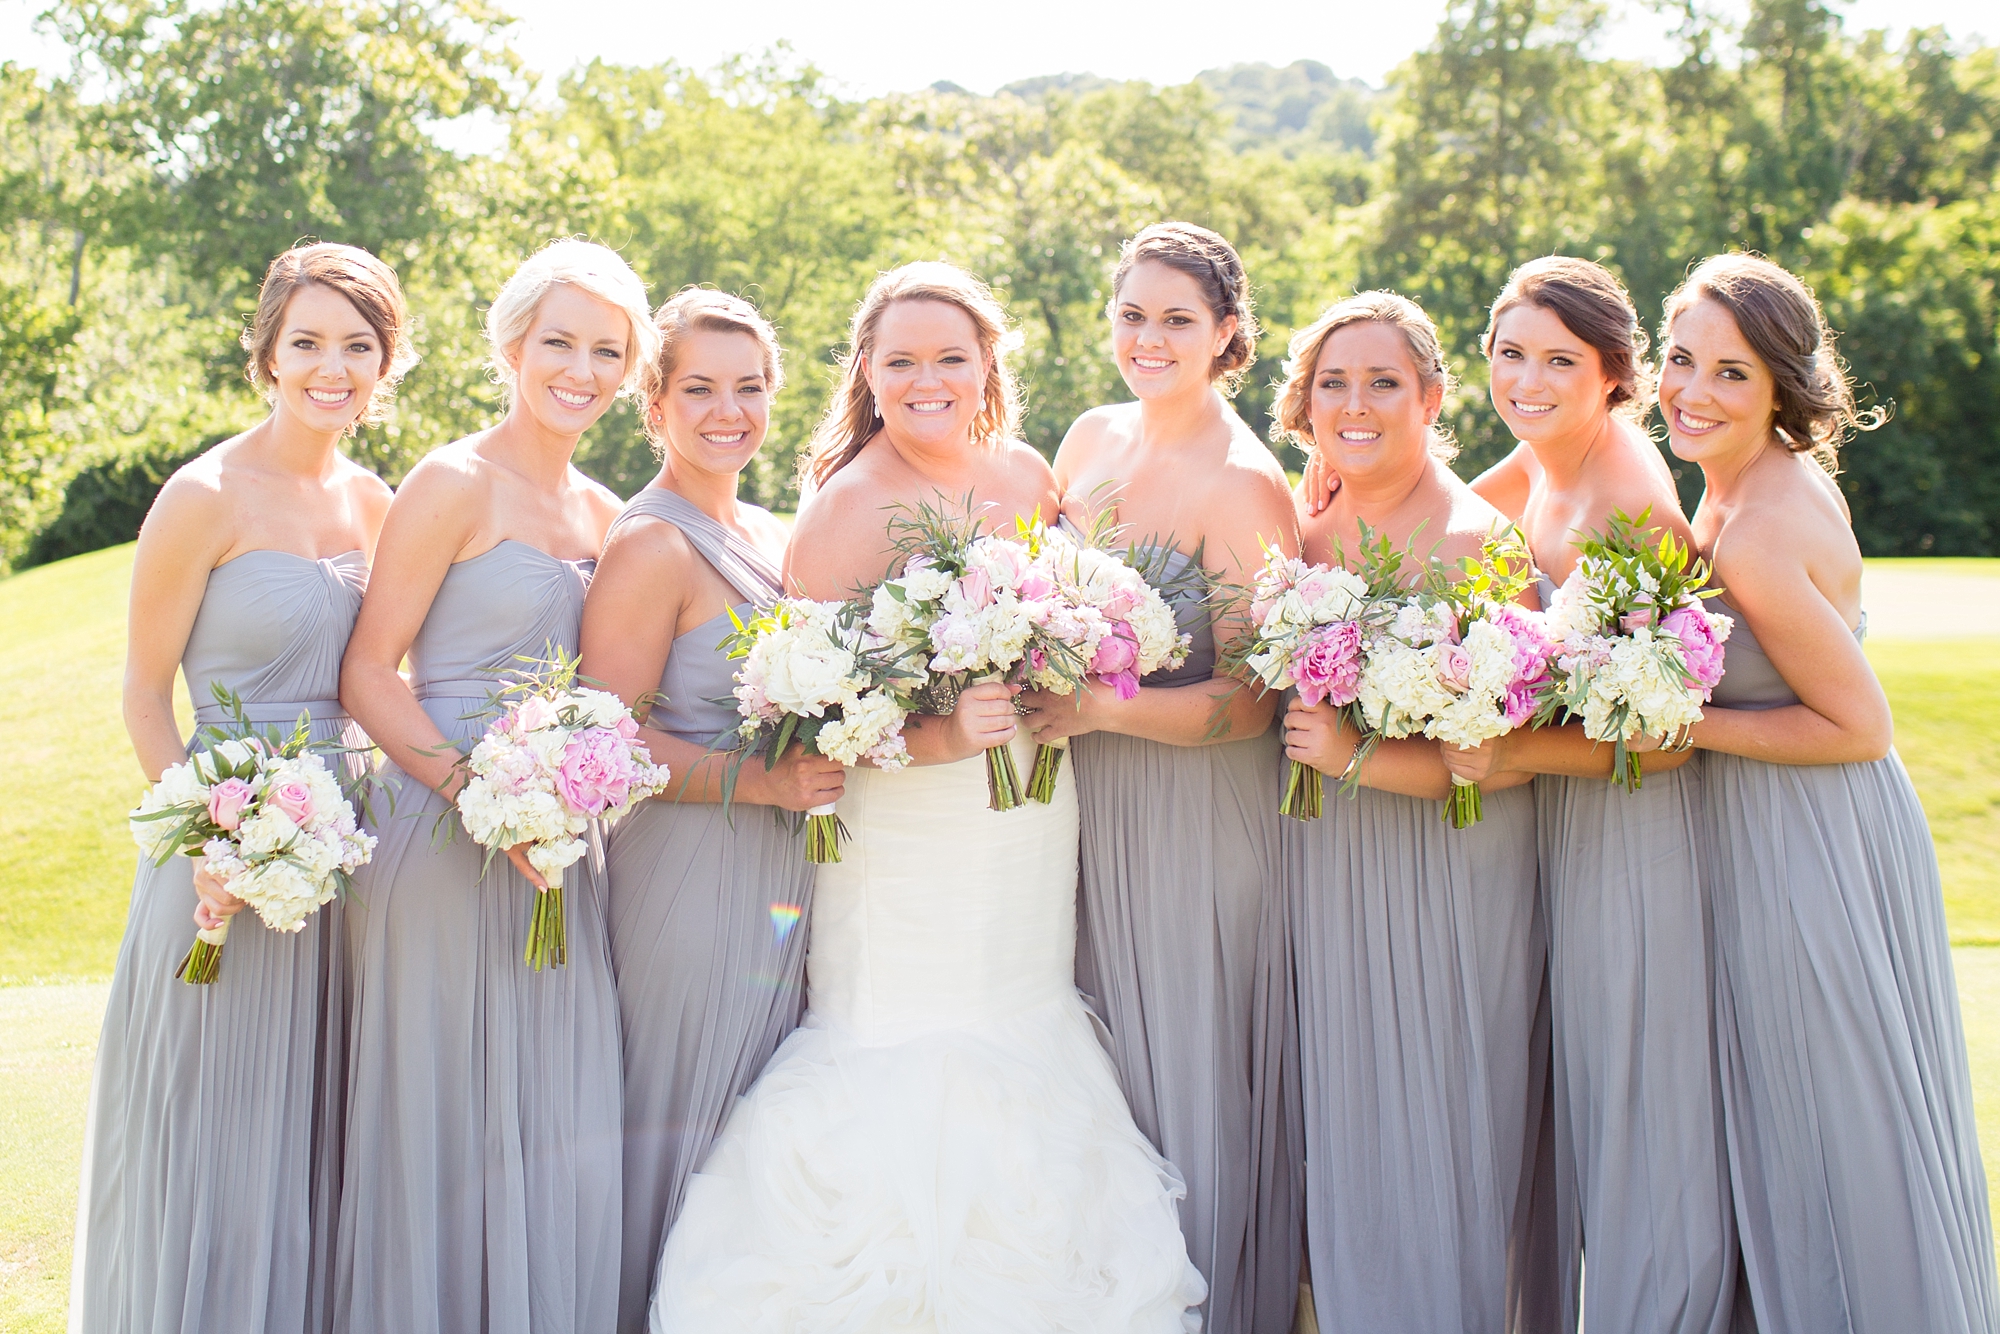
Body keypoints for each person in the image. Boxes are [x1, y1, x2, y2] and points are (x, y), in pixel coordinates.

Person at [648, 261, 1205, 1330]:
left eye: (949, 357)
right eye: (899, 360)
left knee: (1024, 1017)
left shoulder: (1025, 470)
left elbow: (1068, 616)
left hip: (1028, 818)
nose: (926, 379)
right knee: (914, 1033)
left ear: (987, 363)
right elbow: (812, 720)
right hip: (906, 840)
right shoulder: (841, 511)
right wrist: (943, 731)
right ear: (865, 370)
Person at [1327, 259, 1737, 1333]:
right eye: (1510, 353)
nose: (1528, 377)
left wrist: (1507, 761)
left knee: (1633, 1111)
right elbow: (1443, 509)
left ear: (1613, 375)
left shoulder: (1632, 499)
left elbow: (1667, 736)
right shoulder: (1539, 464)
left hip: (1628, 832)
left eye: (1560, 360)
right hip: (1546, 833)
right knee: (1554, 1110)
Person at [72, 241, 407, 1334]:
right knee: (214, 1124)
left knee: (318, 1127)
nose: (331, 366)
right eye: (307, 341)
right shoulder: (202, 495)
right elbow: (139, 693)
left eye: (357, 346)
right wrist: (208, 837)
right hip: (219, 850)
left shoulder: (380, 505)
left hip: (344, 853)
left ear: (383, 364)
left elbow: (383, 680)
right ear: (266, 353)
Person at [1668, 252, 1998, 1332]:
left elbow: (1859, 725)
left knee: (1838, 1116)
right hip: (1783, 823)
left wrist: (1678, 721)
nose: (1691, 390)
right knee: (1797, 1114)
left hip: (1808, 838)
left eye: (1729, 372)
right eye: (1679, 360)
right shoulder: (1736, 482)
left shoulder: (1757, 525)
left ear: (1777, 385)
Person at [333, 238, 658, 1333]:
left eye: (606, 350)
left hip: (559, 838)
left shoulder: (612, 511)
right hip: (438, 828)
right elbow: (369, 671)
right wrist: (478, 793)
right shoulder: (452, 480)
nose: (580, 367)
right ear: (513, 344)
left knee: (552, 1106)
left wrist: (565, 800)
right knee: (446, 1109)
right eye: (559, 340)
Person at [1019, 221, 1302, 1334]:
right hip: (1082, 809)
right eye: (1132, 314)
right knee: (1098, 1074)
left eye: (1177, 319)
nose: (1148, 337)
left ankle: (1218, 1304)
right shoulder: (1088, 437)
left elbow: (1251, 696)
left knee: (1180, 1065)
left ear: (1226, 334)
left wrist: (1096, 706)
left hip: (1193, 812)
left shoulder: (1240, 483)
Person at [1274, 290, 1546, 1333]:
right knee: (1342, 1129)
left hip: (1446, 877)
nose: (1355, 401)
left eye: (1382, 381)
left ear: (1431, 398)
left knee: (1440, 1126)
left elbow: (1506, 762)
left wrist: (1356, 757)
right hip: (1327, 867)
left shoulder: (1480, 541)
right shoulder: (1305, 533)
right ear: (1304, 404)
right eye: (1332, 382)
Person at [579, 288, 843, 1333]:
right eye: (698, 387)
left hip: (782, 874)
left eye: (749, 386)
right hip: (685, 875)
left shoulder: (777, 531)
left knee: (750, 1129)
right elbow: (608, 737)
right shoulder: (649, 543)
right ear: (653, 403)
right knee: (679, 1115)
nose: (726, 409)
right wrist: (758, 781)